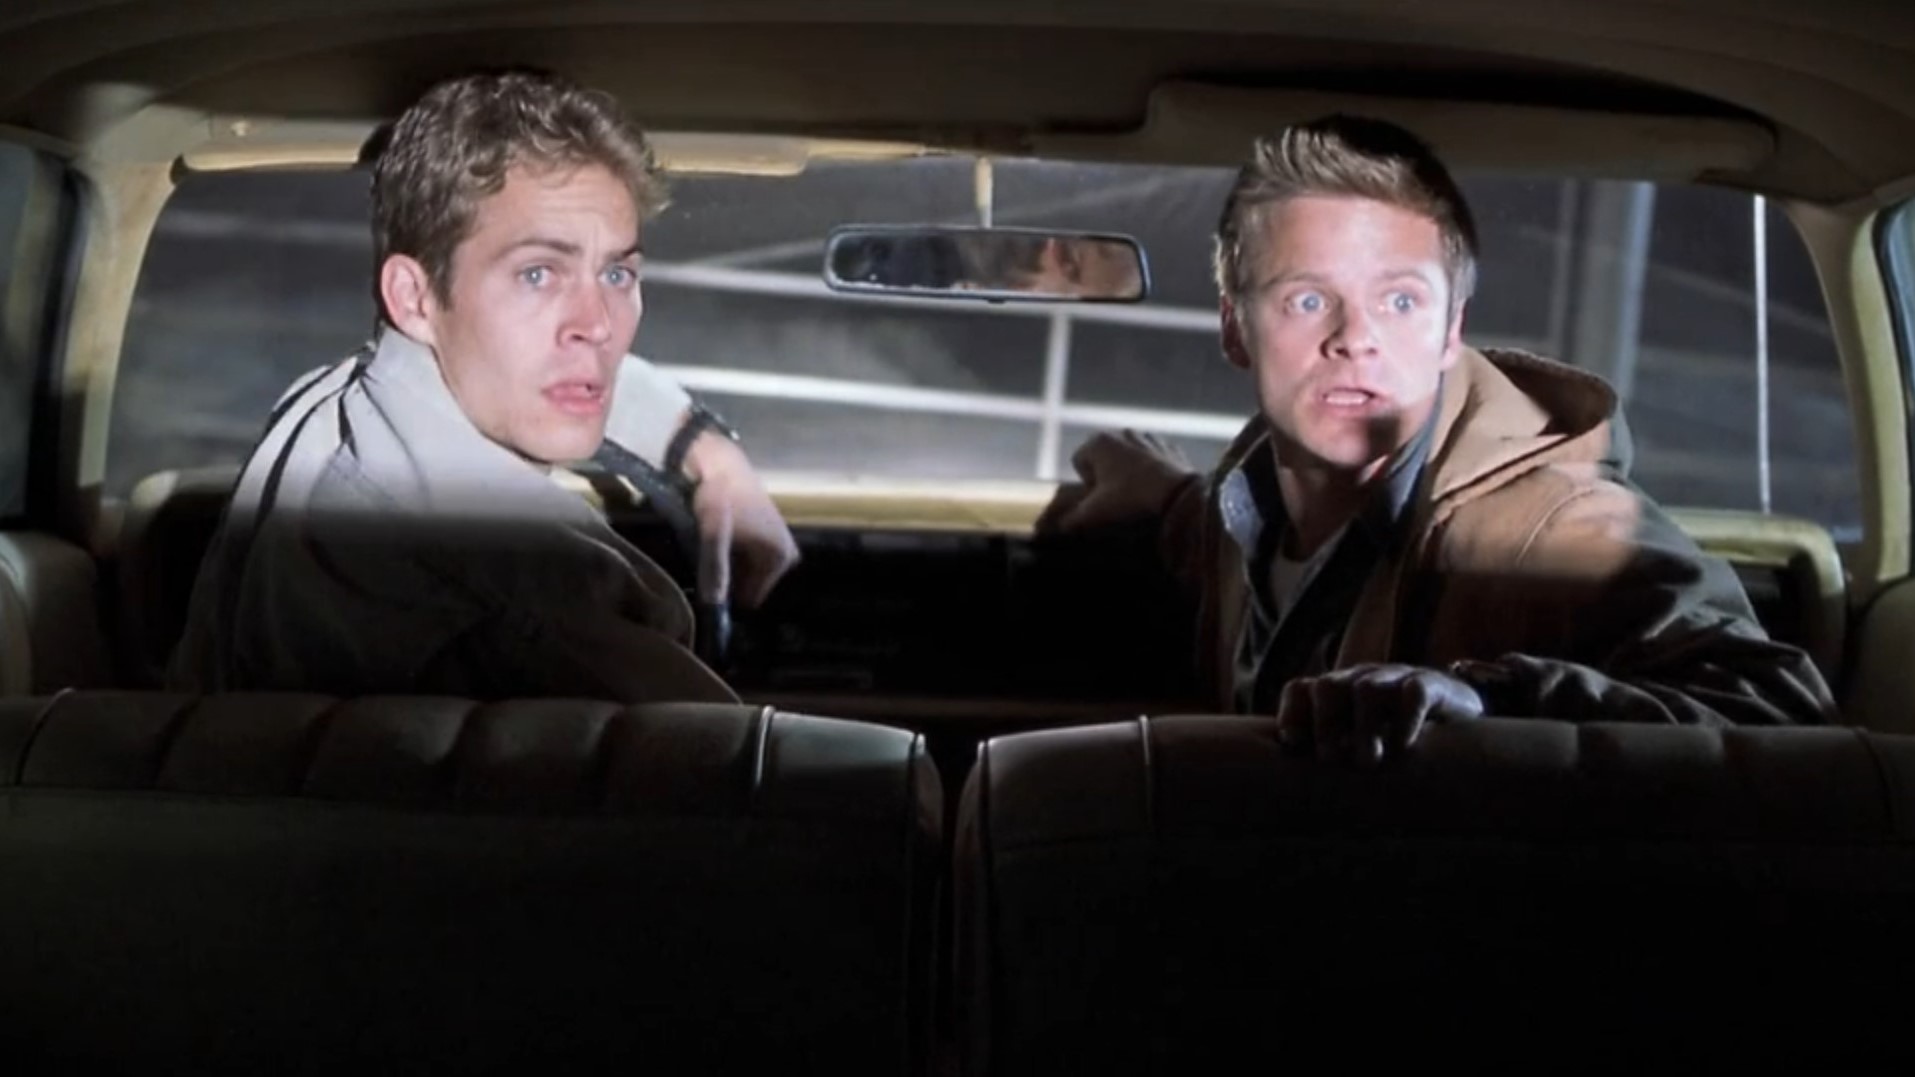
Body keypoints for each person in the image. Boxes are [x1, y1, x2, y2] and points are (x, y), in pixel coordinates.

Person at [1037, 115, 1837, 763]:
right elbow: (1237, 530)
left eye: (1400, 302)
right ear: (1234, 327)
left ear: (1452, 330)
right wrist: (1161, 494)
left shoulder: (1551, 531)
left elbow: (1782, 713)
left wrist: (1489, 701)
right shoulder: (1246, 505)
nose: (1355, 338)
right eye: (1306, 300)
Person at [169, 67, 799, 702]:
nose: (599, 326)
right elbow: (731, 758)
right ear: (414, 297)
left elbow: (542, 367)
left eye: (616, 275)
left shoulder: (324, 401)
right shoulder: (532, 588)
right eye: (537, 275)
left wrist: (704, 452)